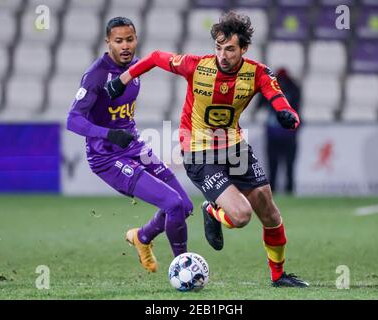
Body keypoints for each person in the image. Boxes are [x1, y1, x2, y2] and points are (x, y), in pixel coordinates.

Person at [106, 12, 309, 287]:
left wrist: (287, 114)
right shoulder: (197, 66)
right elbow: (154, 57)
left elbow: (277, 96)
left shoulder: (256, 72)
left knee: (269, 210)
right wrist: (123, 80)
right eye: (218, 47)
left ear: (244, 49)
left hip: (235, 148)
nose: (222, 55)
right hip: (199, 151)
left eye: (230, 49)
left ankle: (278, 275)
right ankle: (212, 211)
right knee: (241, 216)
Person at [66, 17, 193, 273]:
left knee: (185, 206)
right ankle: (184, 267)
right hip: (107, 158)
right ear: (108, 42)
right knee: (173, 204)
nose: (125, 46)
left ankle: (142, 237)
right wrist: (108, 134)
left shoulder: (135, 68)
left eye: (130, 39)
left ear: (136, 39)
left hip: (133, 146)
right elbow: (73, 120)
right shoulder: (96, 75)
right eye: (118, 41)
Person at [256, 68, 301, 194]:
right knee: (286, 164)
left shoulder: (271, 88)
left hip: (275, 133)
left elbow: (259, 105)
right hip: (287, 134)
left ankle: (277, 189)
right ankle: (288, 189)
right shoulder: (294, 88)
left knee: (275, 164)